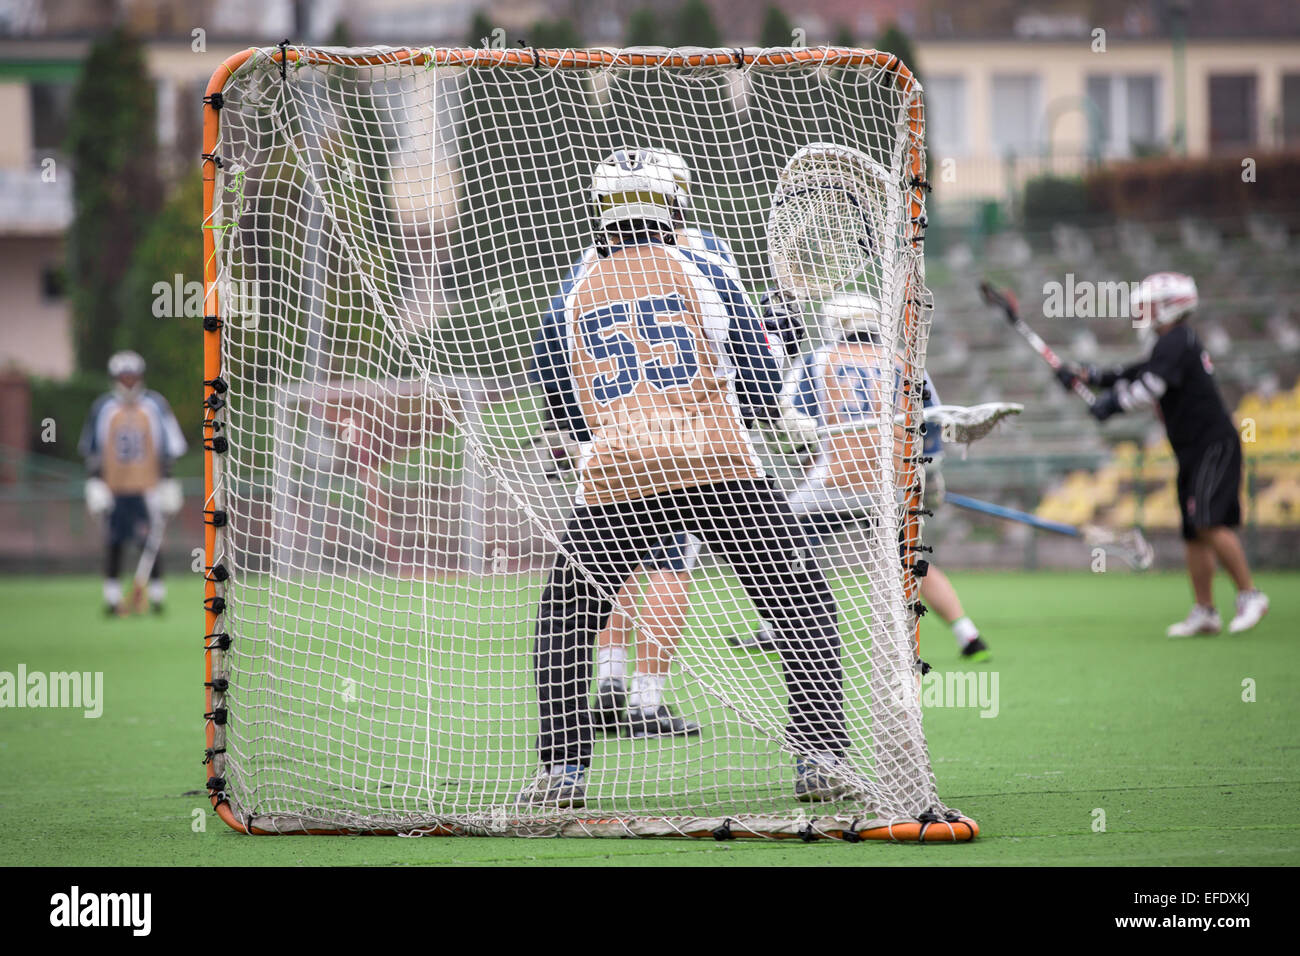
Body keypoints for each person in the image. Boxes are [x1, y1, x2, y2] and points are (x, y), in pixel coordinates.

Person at [520, 148, 849, 808]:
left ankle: (563, 774)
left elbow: (558, 395)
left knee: (565, 614)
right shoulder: (703, 264)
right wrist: (750, 390)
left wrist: (617, 432)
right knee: (797, 600)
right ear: (675, 202)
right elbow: (755, 380)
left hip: (620, 472)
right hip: (717, 464)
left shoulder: (575, 286)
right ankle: (820, 757)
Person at [735, 293, 991, 661]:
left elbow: (783, 419)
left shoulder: (817, 361)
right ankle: (968, 635)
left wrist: (805, 458)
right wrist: (930, 477)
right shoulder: (906, 362)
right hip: (893, 488)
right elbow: (934, 424)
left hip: (833, 485)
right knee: (910, 556)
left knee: (779, 537)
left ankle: (776, 626)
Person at [1056, 271, 1268, 637]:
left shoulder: (1178, 340)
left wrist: (1112, 405)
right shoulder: (1168, 345)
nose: (1144, 311)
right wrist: (1086, 375)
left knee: (1208, 522)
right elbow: (1133, 371)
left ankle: (1250, 595)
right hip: (1190, 449)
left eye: (1150, 305)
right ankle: (1205, 611)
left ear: (1171, 306)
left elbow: (1150, 385)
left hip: (1211, 444)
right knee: (1193, 531)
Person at [79, 350, 187, 615]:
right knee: (114, 542)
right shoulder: (103, 408)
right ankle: (112, 598)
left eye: (132, 377)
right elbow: (92, 450)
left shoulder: (154, 405)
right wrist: (95, 483)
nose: (128, 382)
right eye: (123, 377)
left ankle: (156, 597)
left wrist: (167, 482)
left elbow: (170, 446)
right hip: (114, 489)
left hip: (147, 487)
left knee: (150, 542)